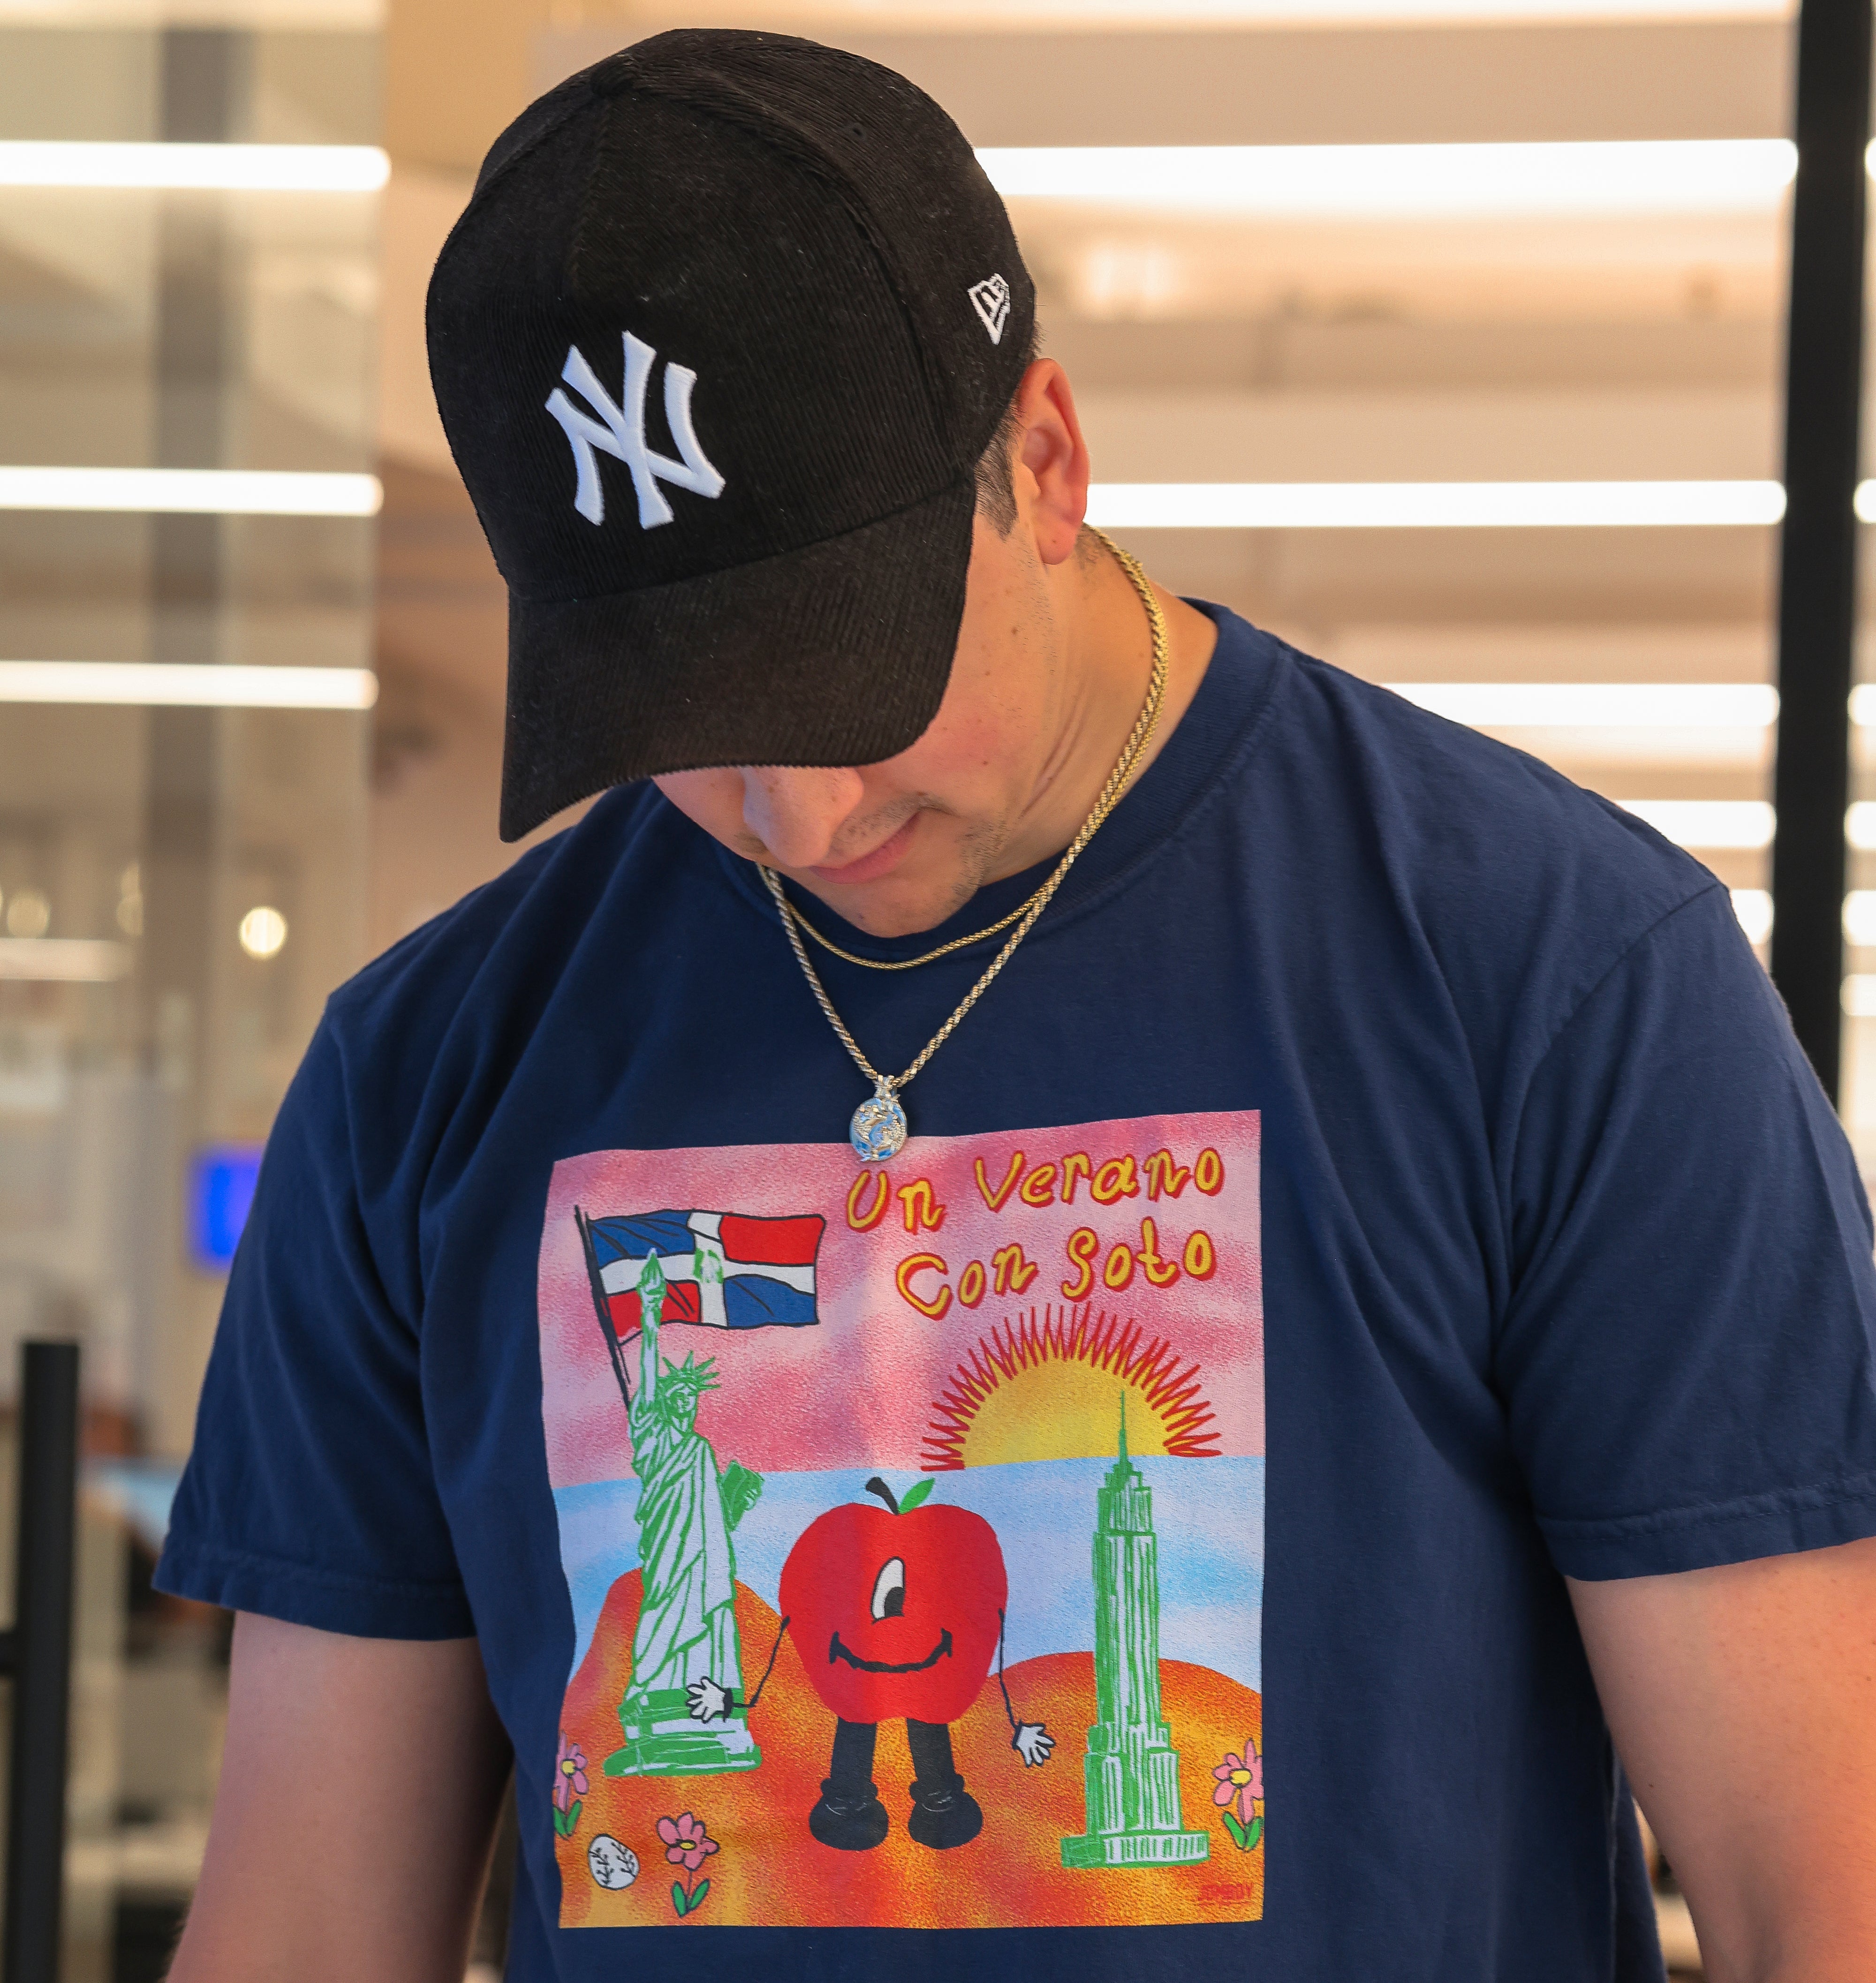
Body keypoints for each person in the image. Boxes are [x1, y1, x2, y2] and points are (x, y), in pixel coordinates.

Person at [158, 28, 1876, 1983]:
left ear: (1043, 460)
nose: (795, 814)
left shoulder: (1552, 974)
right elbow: (302, 1925)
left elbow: (1818, 1899)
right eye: (684, 716)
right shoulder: (427, 1072)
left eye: (851, 673)